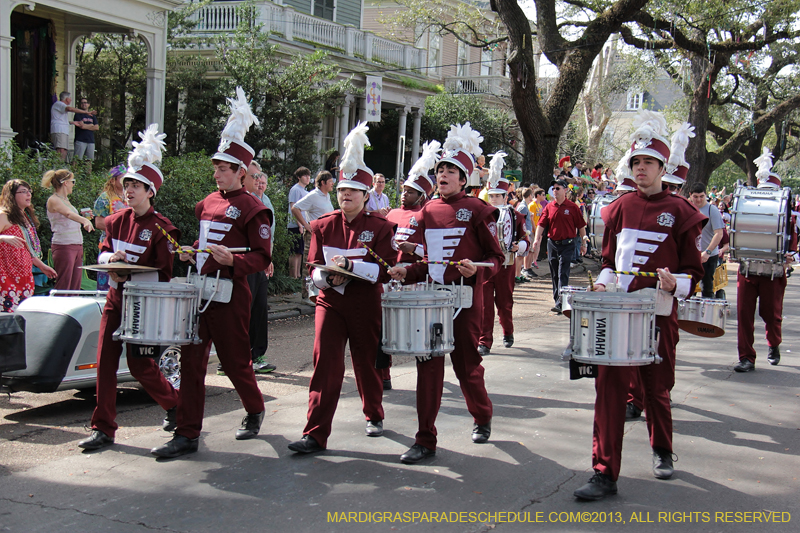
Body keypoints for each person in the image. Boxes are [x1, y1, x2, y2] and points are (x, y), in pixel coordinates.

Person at [573, 110, 706, 501]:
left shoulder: (681, 212)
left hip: (658, 314)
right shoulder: (619, 207)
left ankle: (662, 449)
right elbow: (609, 262)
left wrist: (676, 282)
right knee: (608, 391)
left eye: (648, 162)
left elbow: (693, 273)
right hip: (619, 314)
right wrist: (602, 283)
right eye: (636, 162)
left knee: (656, 389)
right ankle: (603, 472)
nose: (641, 168)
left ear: (663, 168)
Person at [150, 88, 272, 458]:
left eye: (223, 169)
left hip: (231, 294)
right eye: (215, 168)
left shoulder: (254, 208)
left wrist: (234, 261)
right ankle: (187, 434)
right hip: (199, 290)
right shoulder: (206, 202)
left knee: (235, 363)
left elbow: (262, 257)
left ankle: (254, 408)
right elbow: (202, 240)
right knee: (191, 361)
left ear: (241, 172)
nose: (216, 173)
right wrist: (189, 252)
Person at [389, 122, 503, 464]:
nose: (443, 175)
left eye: (451, 170)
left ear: (464, 178)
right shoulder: (427, 211)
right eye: (440, 169)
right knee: (428, 367)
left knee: (467, 366)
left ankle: (482, 415)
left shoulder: (479, 209)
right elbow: (428, 262)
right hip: (432, 300)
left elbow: (496, 258)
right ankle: (425, 439)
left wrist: (478, 270)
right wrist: (406, 270)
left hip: (465, 300)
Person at [287, 122, 397, 454]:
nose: (345, 195)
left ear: (366, 195)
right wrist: (327, 279)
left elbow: (385, 270)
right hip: (330, 303)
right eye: (341, 190)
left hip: (365, 303)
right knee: (325, 364)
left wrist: (351, 268)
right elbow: (312, 267)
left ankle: (374, 414)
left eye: (353, 191)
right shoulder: (323, 225)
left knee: (367, 362)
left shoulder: (381, 227)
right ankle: (314, 433)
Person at [77, 125, 181, 451]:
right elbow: (102, 252)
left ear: (150, 192)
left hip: (143, 306)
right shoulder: (116, 220)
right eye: (127, 185)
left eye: (136, 185)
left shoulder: (162, 228)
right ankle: (103, 428)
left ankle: (175, 404)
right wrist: (111, 260)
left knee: (139, 366)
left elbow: (165, 274)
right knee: (105, 362)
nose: (128, 190)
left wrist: (131, 275)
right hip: (115, 299)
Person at [383, 141, 440, 391]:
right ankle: (384, 374)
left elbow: (436, 252)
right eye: (403, 190)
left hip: (415, 279)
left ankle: (424, 375)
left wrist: (413, 249)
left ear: (422, 196)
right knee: (385, 328)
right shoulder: (391, 214)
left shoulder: (428, 215)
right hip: (390, 277)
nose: (404, 194)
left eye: (410, 192)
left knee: (417, 330)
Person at [734, 149, 797, 373]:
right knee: (744, 316)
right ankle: (746, 357)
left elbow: (793, 247)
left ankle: (774, 344)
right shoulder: (746, 211)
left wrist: (790, 256)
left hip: (773, 273)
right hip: (747, 270)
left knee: (772, 314)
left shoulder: (787, 217)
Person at [478, 161, 529, 355]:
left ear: (505, 196)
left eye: (497, 196)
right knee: (484, 305)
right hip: (486, 264)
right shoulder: (482, 215)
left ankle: (508, 331)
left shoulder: (516, 216)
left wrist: (519, 246)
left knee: (504, 303)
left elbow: (525, 240)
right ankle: (485, 341)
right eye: (491, 196)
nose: (494, 199)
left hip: (506, 264)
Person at [239, 161, 276, 375]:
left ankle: (257, 355)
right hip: (243, 264)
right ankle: (235, 358)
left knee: (259, 309)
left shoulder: (262, 201)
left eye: (259, 176)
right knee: (243, 311)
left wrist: (267, 257)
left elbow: (267, 233)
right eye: (254, 176)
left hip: (259, 263)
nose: (258, 180)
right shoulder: (237, 202)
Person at [530, 177, 587, 314]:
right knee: (555, 273)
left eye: (558, 188)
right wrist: (536, 240)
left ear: (565, 190)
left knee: (563, 272)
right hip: (553, 244)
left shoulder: (572, 207)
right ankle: (557, 300)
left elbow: (581, 226)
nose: (555, 191)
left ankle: (561, 302)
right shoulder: (549, 207)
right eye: (553, 189)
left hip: (568, 244)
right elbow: (541, 224)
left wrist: (583, 243)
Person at [0, 180, 57, 312]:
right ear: (11, 195)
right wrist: (3, 238)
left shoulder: (24, 216)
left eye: (29, 191)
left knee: (21, 315)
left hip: (23, 275)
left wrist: (42, 266)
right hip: (6, 275)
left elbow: (28, 248)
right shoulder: (4, 215)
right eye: (23, 191)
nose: (28, 194)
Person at [42, 169, 95, 290]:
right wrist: (84, 220)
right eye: (73, 181)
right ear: (65, 183)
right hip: (64, 245)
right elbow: (68, 214)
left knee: (75, 284)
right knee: (64, 283)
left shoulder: (66, 200)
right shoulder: (53, 199)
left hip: (76, 244)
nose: (73, 185)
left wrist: (85, 217)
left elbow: (70, 218)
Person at [93, 164, 128, 290]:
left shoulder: (130, 196)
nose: (125, 180)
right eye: (122, 178)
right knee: (107, 280)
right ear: (113, 180)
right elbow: (98, 223)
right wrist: (120, 228)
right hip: (109, 243)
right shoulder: (104, 198)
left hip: (127, 243)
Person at [688, 183, 724, 299]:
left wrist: (708, 252)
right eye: (695, 197)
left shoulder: (712, 210)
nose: (699, 200)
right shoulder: (687, 208)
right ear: (690, 195)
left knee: (706, 287)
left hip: (708, 255)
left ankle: (707, 308)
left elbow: (719, 233)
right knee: (688, 287)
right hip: (691, 255)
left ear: (705, 195)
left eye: (701, 196)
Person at [50, 91, 95, 161]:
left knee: (64, 151)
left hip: (63, 131)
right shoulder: (59, 104)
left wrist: (72, 122)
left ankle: (61, 165)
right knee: (61, 150)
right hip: (59, 130)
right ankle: (58, 166)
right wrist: (86, 112)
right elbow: (69, 109)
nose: (71, 100)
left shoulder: (61, 106)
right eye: (70, 98)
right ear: (67, 99)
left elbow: (60, 119)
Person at [288, 166, 311, 278]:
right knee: (294, 251)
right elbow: (293, 207)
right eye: (305, 176)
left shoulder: (305, 191)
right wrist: (299, 225)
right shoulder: (295, 189)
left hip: (304, 224)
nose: (307, 178)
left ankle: (298, 275)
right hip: (295, 225)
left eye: (308, 176)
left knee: (300, 252)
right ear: (299, 177)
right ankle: (293, 276)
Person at [72, 97, 99, 167]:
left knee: (89, 161)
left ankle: (88, 174)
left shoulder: (92, 116)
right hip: (80, 140)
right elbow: (82, 126)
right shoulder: (78, 114)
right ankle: (74, 173)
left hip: (90, 141)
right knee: (77, 160)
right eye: (82, 103)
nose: (84, 104)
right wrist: (91, 125)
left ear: (89, 104)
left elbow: (97, 127)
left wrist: (86, 126)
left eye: (85, 102)